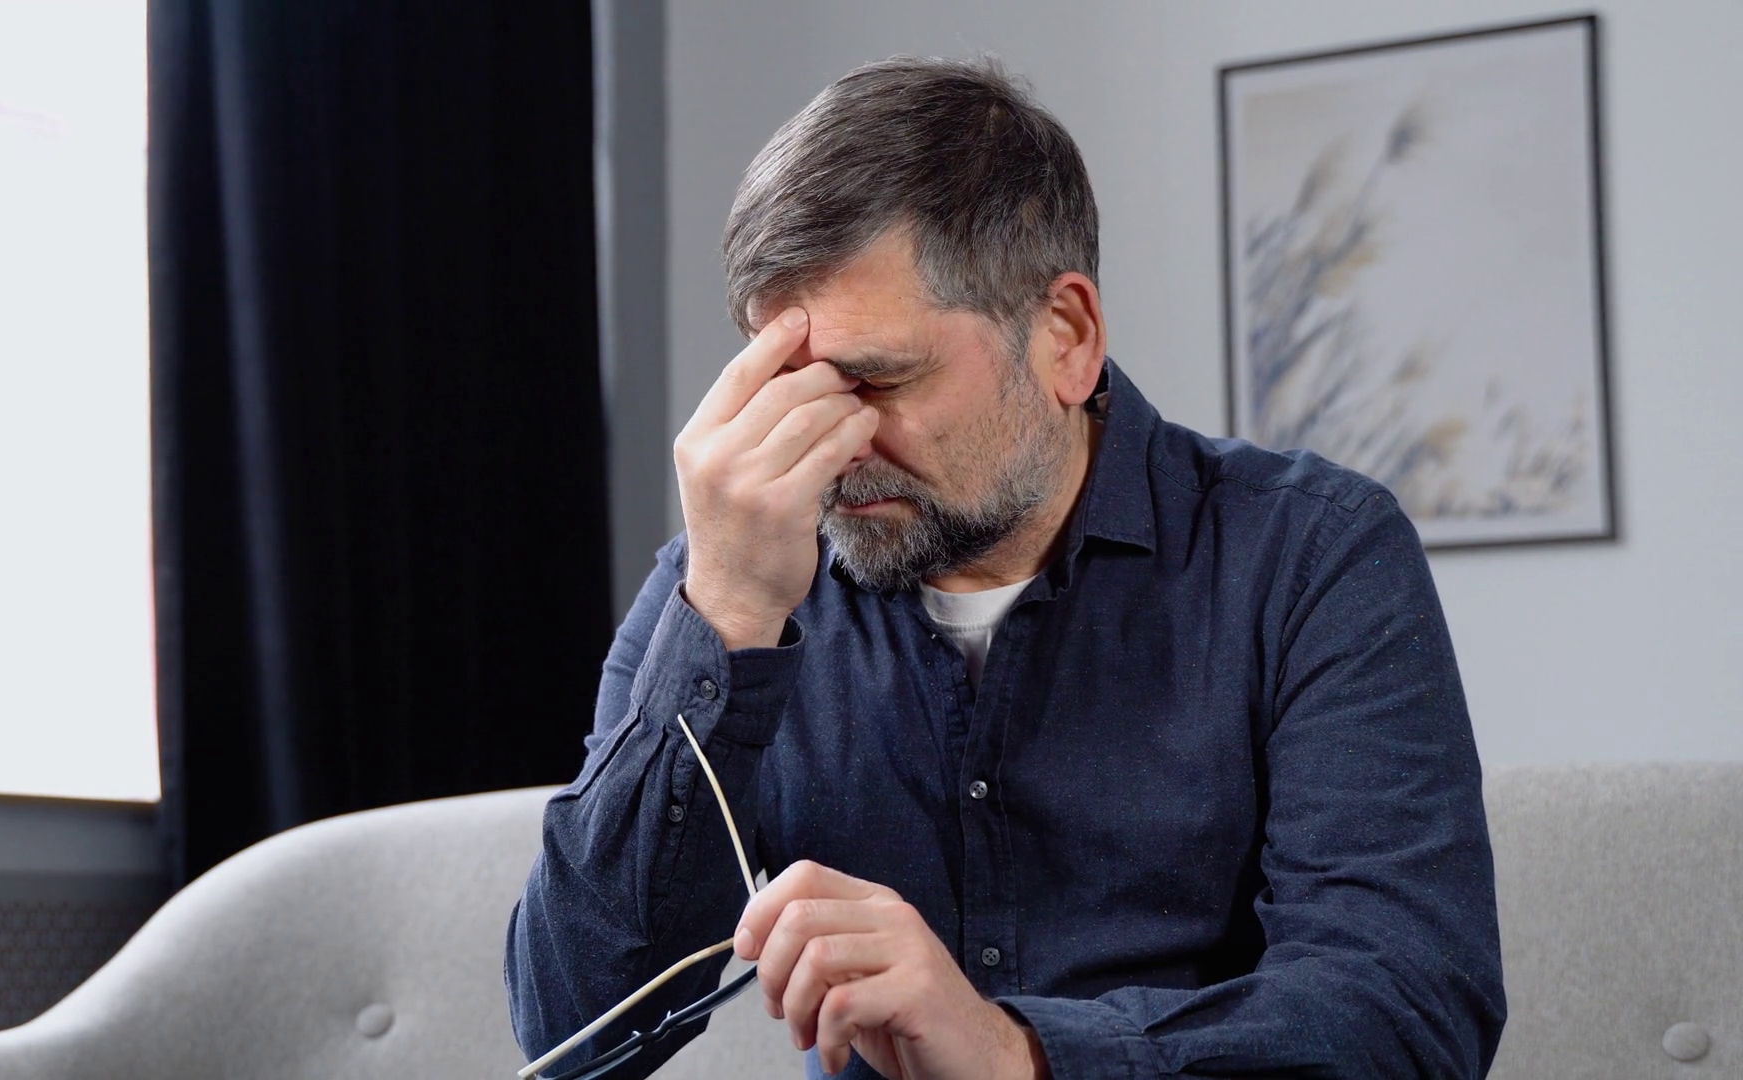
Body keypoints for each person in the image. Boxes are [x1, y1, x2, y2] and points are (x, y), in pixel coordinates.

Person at [505, 56, 1505, 1080]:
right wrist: (725, 615)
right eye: (789, 388)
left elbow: (1408, 1011)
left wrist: (1013, 1055)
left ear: (1065, 337)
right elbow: (573, 1036)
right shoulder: (733, 575)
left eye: (875, 380)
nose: (831, 445)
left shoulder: (1311, 555)